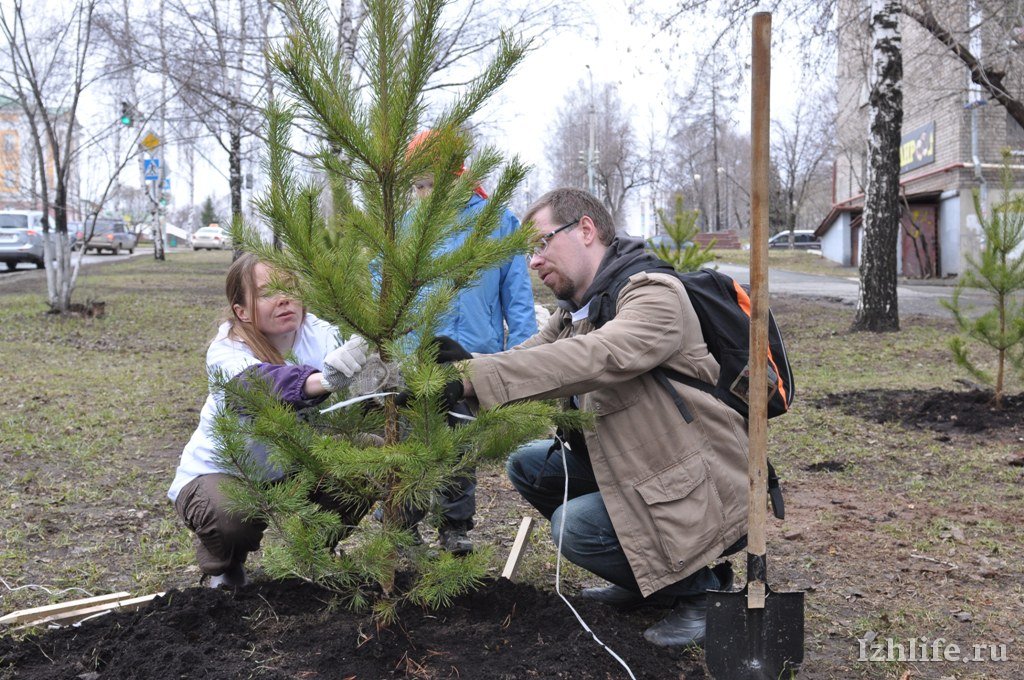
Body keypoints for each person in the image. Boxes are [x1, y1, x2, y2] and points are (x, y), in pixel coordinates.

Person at [449, 188, 749, 646]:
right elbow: (531, 356)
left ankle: (702, 592)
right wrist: (457, 370)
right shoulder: (576, 309)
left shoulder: (654, 294)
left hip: (697, 484)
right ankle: (644, 580)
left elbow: (596, 356)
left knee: (575, 527)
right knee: (531, 465)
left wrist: (476, 376)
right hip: (643, 469)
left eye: (541, 243)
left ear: (585, 229)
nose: (533, 261)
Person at [168, 253, 372, 588]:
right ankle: (224, 567)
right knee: (229, 519)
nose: (284, 298)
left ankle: (311, 556)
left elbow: (366, 372)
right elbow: (258, 386)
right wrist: (323, 380)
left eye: (289, 287)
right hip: (226, 471)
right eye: (267, 293)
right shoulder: (225, 350)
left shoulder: (322, 335)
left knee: (369, 456)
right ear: (241, 311)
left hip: (297, 464)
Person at [398, 130, 537, 555]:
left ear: (454, 175)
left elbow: (518, 294)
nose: (421, 193)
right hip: (416, 353)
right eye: (416, 185)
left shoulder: (497, 220)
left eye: (427, 183)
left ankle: (455, 528)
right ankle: (403, 526)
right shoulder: (409, 224)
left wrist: (527, 356)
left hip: (472, 356)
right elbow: (381, 280)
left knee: (460, 445)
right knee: (412, 442)